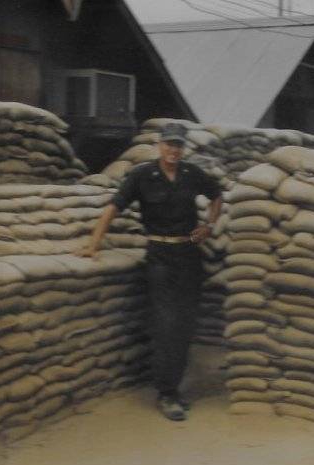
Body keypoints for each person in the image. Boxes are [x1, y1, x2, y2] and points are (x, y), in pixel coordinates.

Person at [78, 123, 222, 421]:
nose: (174, 150)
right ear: (159, 145)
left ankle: (174, 386)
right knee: (167, 323)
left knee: (184, 322)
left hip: (189, 256)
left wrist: (208, 226)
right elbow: (113, 208)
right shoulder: (142, 175)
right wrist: (94, 243)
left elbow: (217, 195)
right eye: (169, 144)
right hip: (159, 257)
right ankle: (167, 393)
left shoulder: (191, 174)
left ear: (184, 148)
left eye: (179, 145)